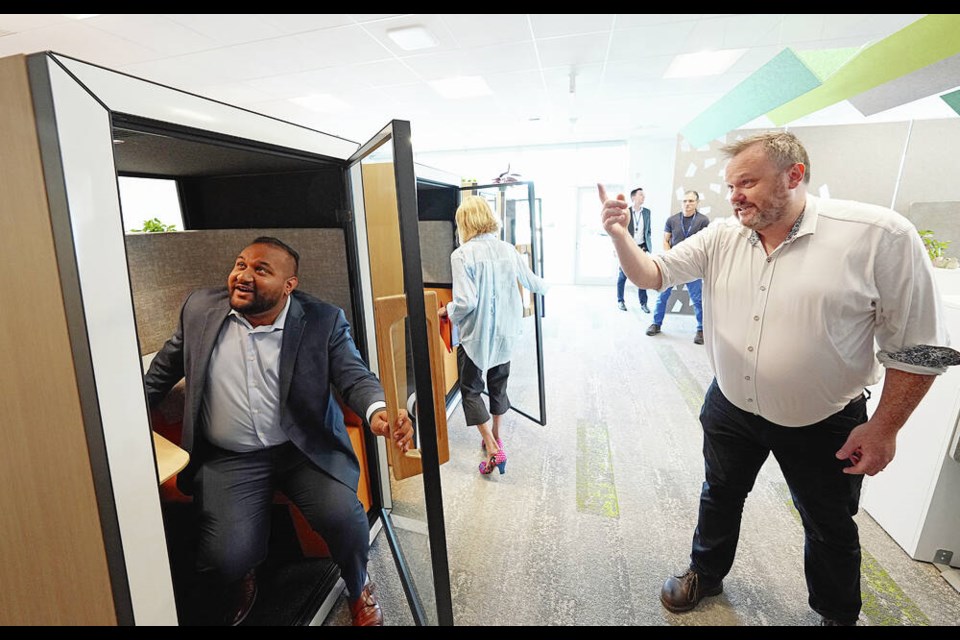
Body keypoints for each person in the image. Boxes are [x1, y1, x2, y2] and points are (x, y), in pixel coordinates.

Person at [599, 131, 954, 626]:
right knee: (719, 492)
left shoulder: (878, 236)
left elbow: (919, 348)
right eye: (730, 185)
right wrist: (619, 236)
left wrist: (885, 427)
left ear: (794, 175)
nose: (735, 195)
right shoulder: (724, 235)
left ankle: (836, 614)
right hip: (731, 406)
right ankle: (706, 571)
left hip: (824, 419)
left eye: (747, 181)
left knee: (827, 523)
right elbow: (652, 274)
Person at [144, 236, 414, 627]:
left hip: (302, 449)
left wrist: (378, 411)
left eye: (261, 270)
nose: (243, 275)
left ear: (290, 285)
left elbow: (353, 377)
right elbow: (162, 373)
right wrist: (121, 423)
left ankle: (358, 585)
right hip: (229, 455)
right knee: (224, 558)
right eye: (240, 265)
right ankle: (244, 571)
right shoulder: (200, 309)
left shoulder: (323, 320)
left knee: (345, 520)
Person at [439, 195, 549, 475]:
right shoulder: (507, 249)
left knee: (471, 390)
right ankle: (497, 434)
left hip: (476, 336)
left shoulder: (462, 255)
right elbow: (534, 283)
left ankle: (491, 445)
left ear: (464, 223)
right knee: (498, 385)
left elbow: (466, 303)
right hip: (506, 333)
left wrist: (447, 312)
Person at [646, 190, 710, 344]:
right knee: (662, 296)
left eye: (691, 201)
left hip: (692, 266)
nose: (687, 204)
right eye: (685, 201)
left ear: (697, 203)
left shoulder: (703, 221)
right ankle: (656, 324)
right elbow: (666, 240)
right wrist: (670, 257)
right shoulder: (672, 220)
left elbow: (706, 243)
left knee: (697, 299)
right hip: (672, 265)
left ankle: (701, 329)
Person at [616, 187, 653, 313]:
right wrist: (618, 247)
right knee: (623, 275)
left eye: (644, 195)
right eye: (641, 195)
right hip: (627, 247)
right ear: (633, 198)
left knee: (642, 276)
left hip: (641, 248)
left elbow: (648, 231)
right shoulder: (625, 212)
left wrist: (647, 247)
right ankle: (620, 300)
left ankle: (643, 303)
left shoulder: (647, 212)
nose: (644, 197)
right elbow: (620, 230)